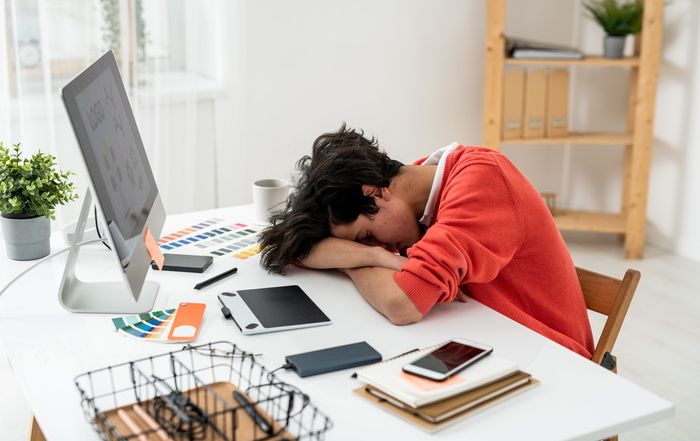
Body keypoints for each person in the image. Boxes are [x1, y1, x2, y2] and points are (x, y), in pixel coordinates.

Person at [260, 124, 594, 359]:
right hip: (478, 342)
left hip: (550, 361)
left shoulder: (483, 183)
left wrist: (352, 260)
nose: (377, 246)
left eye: (367, 237)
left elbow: (403, 304)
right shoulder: (415, 187)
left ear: (374, 193)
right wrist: (375, 259)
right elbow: (298, 249)